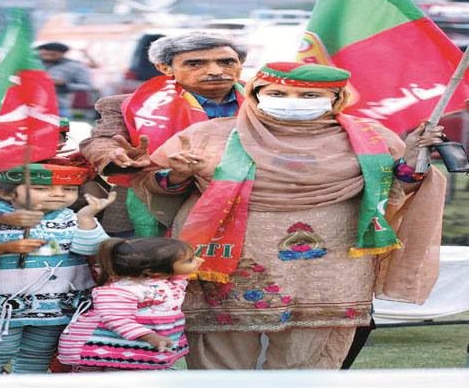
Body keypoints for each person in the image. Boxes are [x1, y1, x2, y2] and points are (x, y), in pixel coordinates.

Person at [134, 62, 446, 369]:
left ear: (336, 99)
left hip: (328, 269)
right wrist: (175, 175)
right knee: (222, 361)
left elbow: (395, 188)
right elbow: (155, 184)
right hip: (230, 267)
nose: (292, 103)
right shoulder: (208, 135)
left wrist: (411, 155)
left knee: (308, 360)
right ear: (257, 93)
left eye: (309, 96)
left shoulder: (372, 137)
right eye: (278, 94)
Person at [79, 32, 248, 237]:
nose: (215, 71)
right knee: (139, 261)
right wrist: (116, 155)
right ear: (165, 68)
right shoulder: (130, 104)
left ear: (241, 63)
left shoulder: (266, 99)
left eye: (226, 62)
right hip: (148, 196)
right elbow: (100, 141)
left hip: (247, 198)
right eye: (195, 64)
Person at [0, 163, 116, 374]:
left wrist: (86, 219)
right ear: (4, 193)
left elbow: (94, 249)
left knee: (38, 352)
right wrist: (1, 249)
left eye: (68, 189)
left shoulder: (70, 218)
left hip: (56, 303)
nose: (58, 194)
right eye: (42, 188)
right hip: (2, 304)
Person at [58, 237, 204, 371]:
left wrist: (188, 269)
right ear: (153, 271)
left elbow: (179, 283)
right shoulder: (124, 289)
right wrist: (151, 337)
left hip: (133, 350)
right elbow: (116, 319)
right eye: (189, 260)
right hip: (106, 349)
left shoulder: (163, 283)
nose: (198, 260)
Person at [36, 42, 95, 118]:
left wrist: (64, 85)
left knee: (64, 129)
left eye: (51, 54)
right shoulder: (34, 64)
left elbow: (88, 86)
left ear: (62, 53)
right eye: (43, 54)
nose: (46, 57)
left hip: (61, 108)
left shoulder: (76, 66)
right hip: (33, 108)